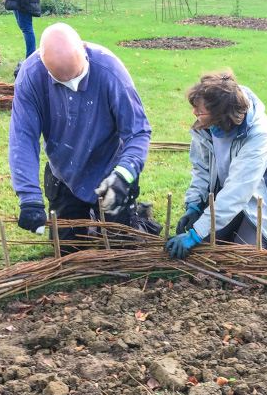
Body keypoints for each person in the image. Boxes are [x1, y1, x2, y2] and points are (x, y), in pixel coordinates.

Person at [9, 23, 160, 252]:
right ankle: (91, 218)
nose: (73, 86)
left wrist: (123, 176)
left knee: (119, 245)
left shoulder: (109, 70)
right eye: (62, 81)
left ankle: (139, 220)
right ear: (42, 59)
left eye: (78, 76)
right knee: (67, 249)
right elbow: (23, 137)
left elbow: (138, 132)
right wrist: (29, 197)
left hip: (110, 169)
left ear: (84, 47)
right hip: (65, 172)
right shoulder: (30, 76)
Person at [166, 70, 267, 259]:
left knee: (241, 259)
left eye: (200, 110)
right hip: (233, 193)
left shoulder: (259, 135)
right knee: (204, 249)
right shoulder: (206, 127)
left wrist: (195, 234)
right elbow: (202, 169)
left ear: (220, 114)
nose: (194, 112)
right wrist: (194, 204)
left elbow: (238, 190)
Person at [5, 0, 40, 78]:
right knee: (25, 28)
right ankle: (31, 57)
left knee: (27, 29)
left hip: (23, 0)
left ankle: (30, 58)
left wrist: (23, 3)